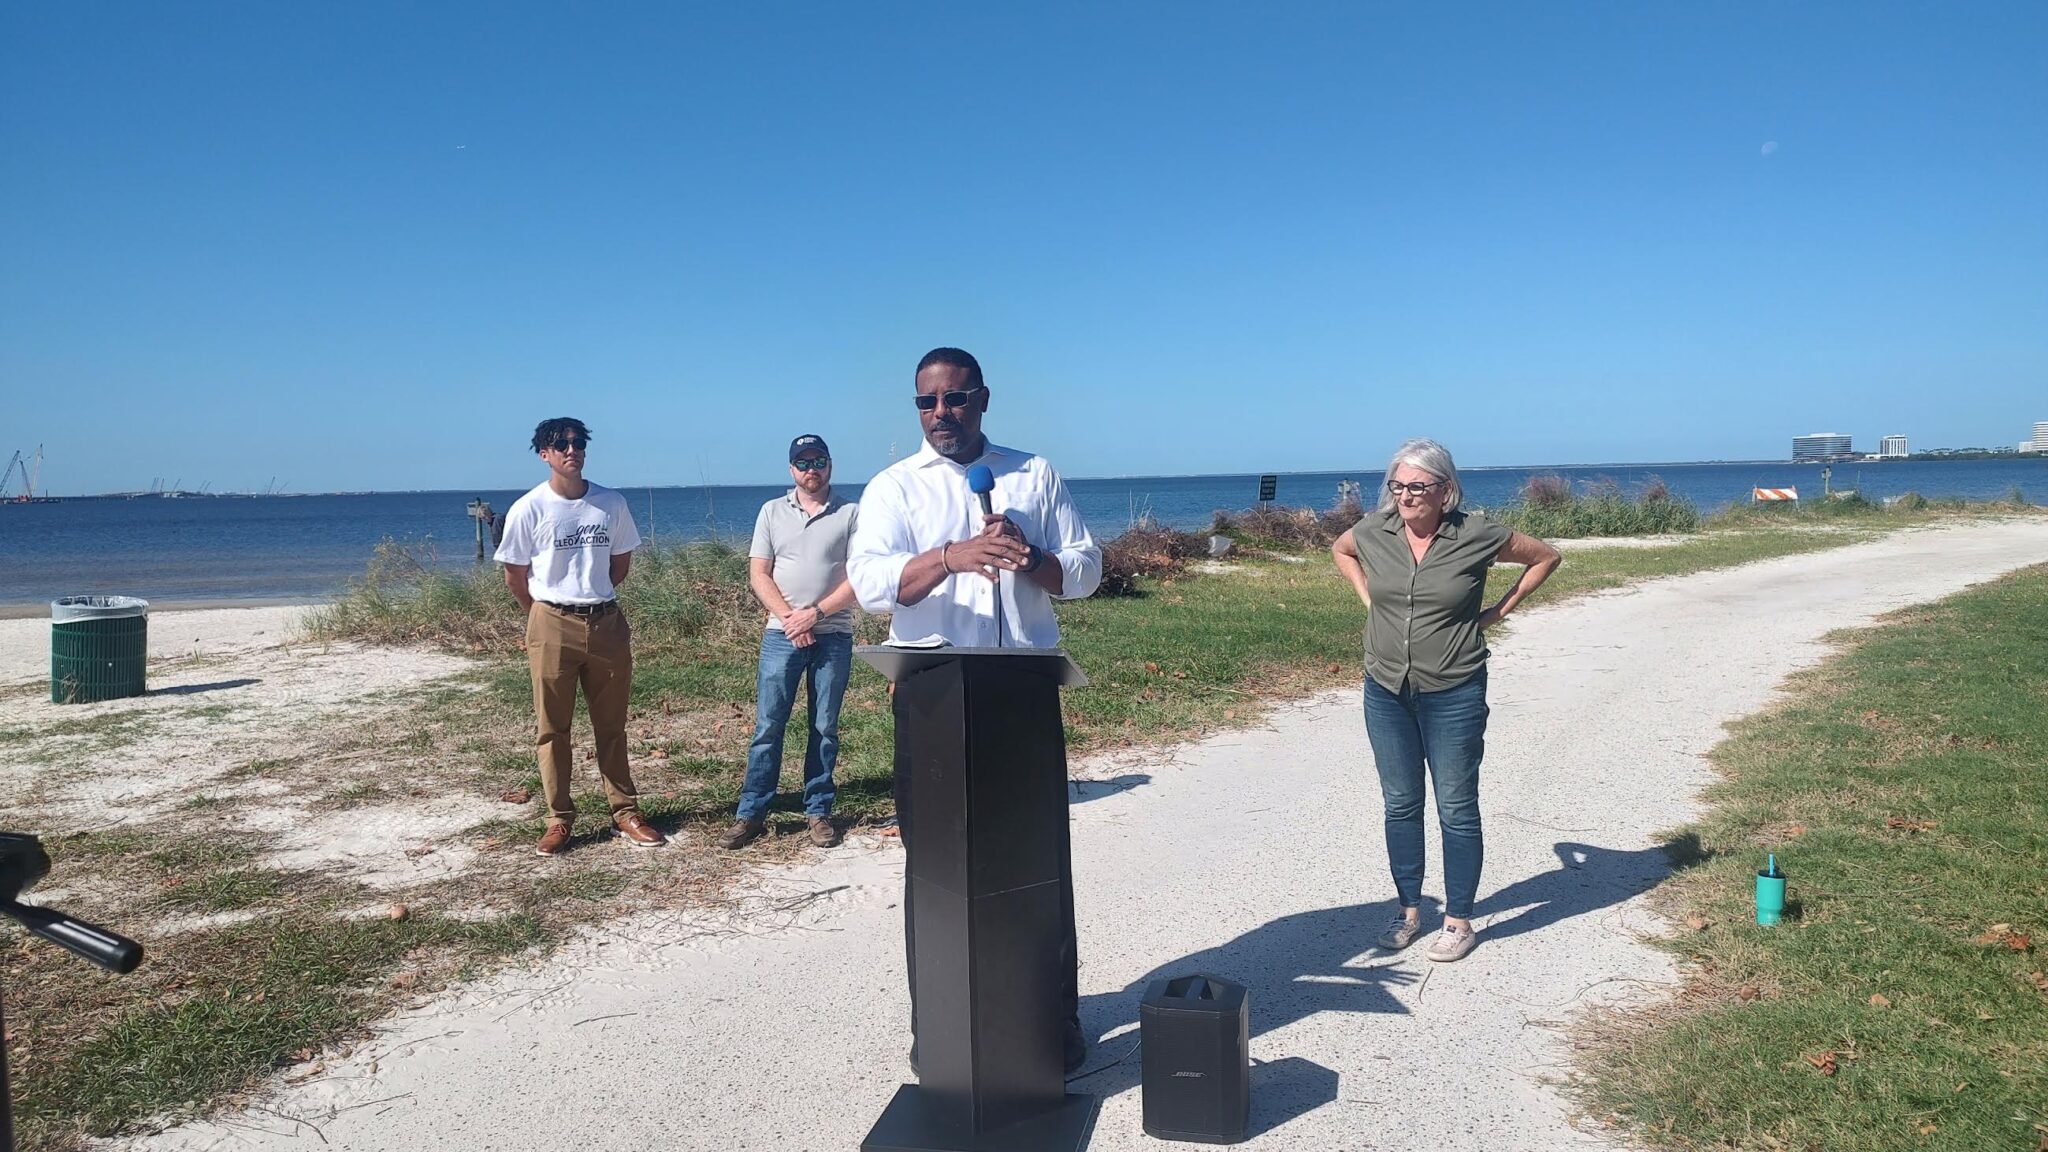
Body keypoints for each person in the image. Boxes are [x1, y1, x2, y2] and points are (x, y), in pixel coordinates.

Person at [847, 346, 1102, 1073]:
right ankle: (942, 1030)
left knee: (1038, 860)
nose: (940, 415)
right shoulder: (894, 487)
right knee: (935, 867)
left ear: (983, 399)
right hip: (931, 690)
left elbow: (1085, 570)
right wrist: (950, 557)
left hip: (1021, 688)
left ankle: (1053, 1024)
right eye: (926, 403)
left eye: (955, 400)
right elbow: (869, 584)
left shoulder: (1033, 473)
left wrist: (1034, 561)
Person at [1330, 438, 1560, 962]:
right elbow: (1341, 550)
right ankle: (1409, 910)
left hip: (1454, 688)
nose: (1406, 496)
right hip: (1386, 689)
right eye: (1398, 485)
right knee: (1401, 804)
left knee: (1456, 808)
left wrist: (1501, 611)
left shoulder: (1476, 534)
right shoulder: (1374, 531)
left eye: (1417, 486)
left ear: (1445, 489)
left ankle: (1458, 920)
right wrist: (1369, 601)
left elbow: (1545, 556)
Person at [494, 418, 667, 856]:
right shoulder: (529, 508)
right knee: (553, 728)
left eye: (577, 443)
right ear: (544, 454)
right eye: (560, 445)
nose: (571, 450)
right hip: (551, 622)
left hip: (606, 622)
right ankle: (559, 819)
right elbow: (515, 575)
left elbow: (620, 564)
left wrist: (592, 598)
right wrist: (543, 616)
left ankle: (625, 812)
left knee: (611, 725)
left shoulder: (610, 504)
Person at [723, 434, 861, 851]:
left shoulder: (852, 514)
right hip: (781, 635)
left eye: (818, 461)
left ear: (830, 465)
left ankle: (818, 810)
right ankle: (751, 812)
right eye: (802, 463)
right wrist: (790, 619)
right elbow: (759, 574)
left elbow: (859, 578)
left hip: (833, 634)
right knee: (768, 726)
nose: (811, 469)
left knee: (824, 726)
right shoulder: (771, 512)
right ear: (791, 470)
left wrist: (815, 614)